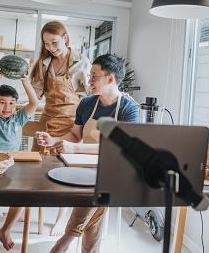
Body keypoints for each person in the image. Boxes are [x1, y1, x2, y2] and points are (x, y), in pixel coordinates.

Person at [36, 54, 139, 253]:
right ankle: (82, 248)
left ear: (110, 79)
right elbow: (75, 135)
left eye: (94, 76)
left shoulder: (129, 109)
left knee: (97, 188)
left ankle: (64, 241)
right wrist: (53, 140)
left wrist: (76, 148)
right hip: (88, 169)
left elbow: (119, 148)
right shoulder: (87, 104)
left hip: (116, 171)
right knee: (96, 204)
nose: (88, 80)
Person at [29, 20, 92, 235]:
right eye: (46, 44)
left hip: (71, 121)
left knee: (65, 170)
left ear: (65, 37)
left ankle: (60, 218)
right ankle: (23, 207)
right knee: (36, 164)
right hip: (48, 117)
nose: (50, 47)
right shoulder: (44, 63)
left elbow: (91, 95)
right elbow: (36, 95)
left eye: (54, 42)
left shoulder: (81, 62)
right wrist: (27, 79)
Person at [0, 61, 38, 251]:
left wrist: (26, 82)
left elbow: (34, 103)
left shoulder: (19, 119)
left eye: (12, 103)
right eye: (2, 102)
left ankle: (6, 229)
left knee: (21, 199)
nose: (7, 107)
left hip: (14, 168)